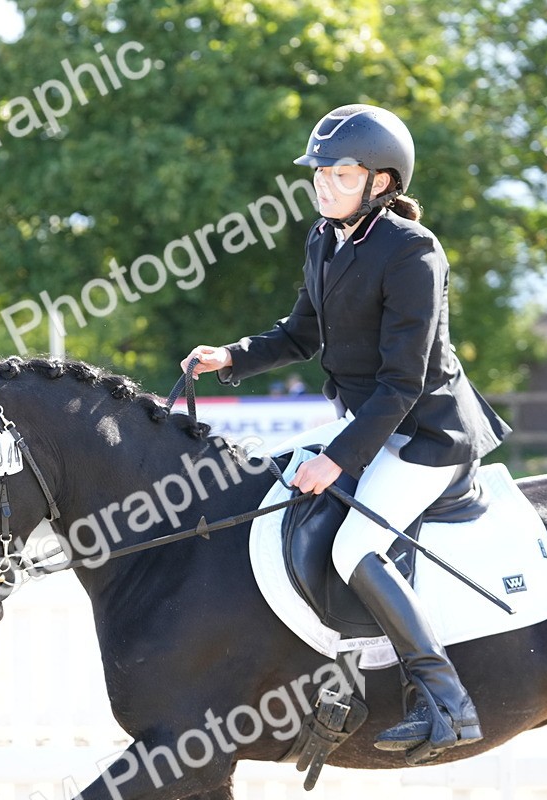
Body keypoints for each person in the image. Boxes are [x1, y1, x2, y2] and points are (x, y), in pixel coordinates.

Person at [181, 104, 511, 760]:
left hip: (428, 435)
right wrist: (231, 357)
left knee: (355, 543)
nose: (323, 185)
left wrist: (337, 459)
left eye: (340, 174)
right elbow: (300, 333)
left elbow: (402, 385)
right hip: (368, 425)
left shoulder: (413, 251)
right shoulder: (323, 239)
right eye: (318, 173)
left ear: (380, 183)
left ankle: (446, 699)